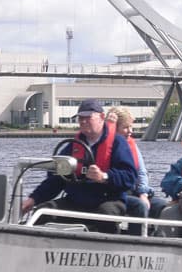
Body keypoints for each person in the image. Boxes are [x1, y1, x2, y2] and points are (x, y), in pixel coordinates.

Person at [21, 99, 137, 233]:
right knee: (43, 212)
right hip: (76, 201)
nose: (83, 121)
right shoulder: (73, 146)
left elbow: (129, 177)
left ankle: (110, 249)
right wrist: (34, 199)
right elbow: (56, 179)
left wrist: (104, 177)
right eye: (81, 118)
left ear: (101, 117)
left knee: (106, 215)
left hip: (108, 200)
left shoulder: (118, 143)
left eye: (88, 117)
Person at [106, 107, 167, 235]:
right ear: (114, 128)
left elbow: (141, 172)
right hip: (117, 193)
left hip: (135, 191)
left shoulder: (132, 145)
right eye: (125, 127)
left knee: (162, 206)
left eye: (131, 127)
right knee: (139, 206)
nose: (130, 131)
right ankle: (136, 240)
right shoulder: (106, 147)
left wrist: (143, 193)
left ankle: (155, 240)